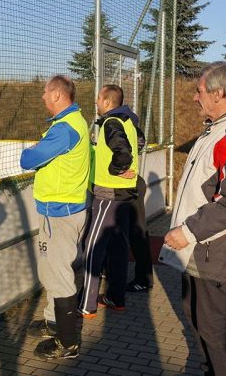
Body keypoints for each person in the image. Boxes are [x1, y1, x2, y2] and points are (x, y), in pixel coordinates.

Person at [159, 62, 226, 376]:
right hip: (198, 248)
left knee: (214, 328)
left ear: (219, 93)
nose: (195, 98)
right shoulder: (219, 128)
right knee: (195, 316)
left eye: (200, 91)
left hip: (215, 250)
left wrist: (188, 231)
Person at [19, 75, 90, 360]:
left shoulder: (64, 128)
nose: (43, 96)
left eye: (46, 92)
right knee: (52, 270)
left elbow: (28, 160)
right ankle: (53, 322)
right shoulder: (72, 122)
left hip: (60, 213)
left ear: (58, 95)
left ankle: (68, 343)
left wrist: (30, 151)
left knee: (58, 274)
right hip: (63, 209)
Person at [79, 85, 141, 317]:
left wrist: (117, 169)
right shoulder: (129, 121)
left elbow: (123, 153)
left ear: (106, 102)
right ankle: (115, 297)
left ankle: (87, 304)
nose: (96, 102)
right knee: (118, 247)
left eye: (98, 98)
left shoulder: (111, 123)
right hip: (125, 194)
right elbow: (140, 142)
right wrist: (125, 170)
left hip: (108, 195)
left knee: (92, 246)